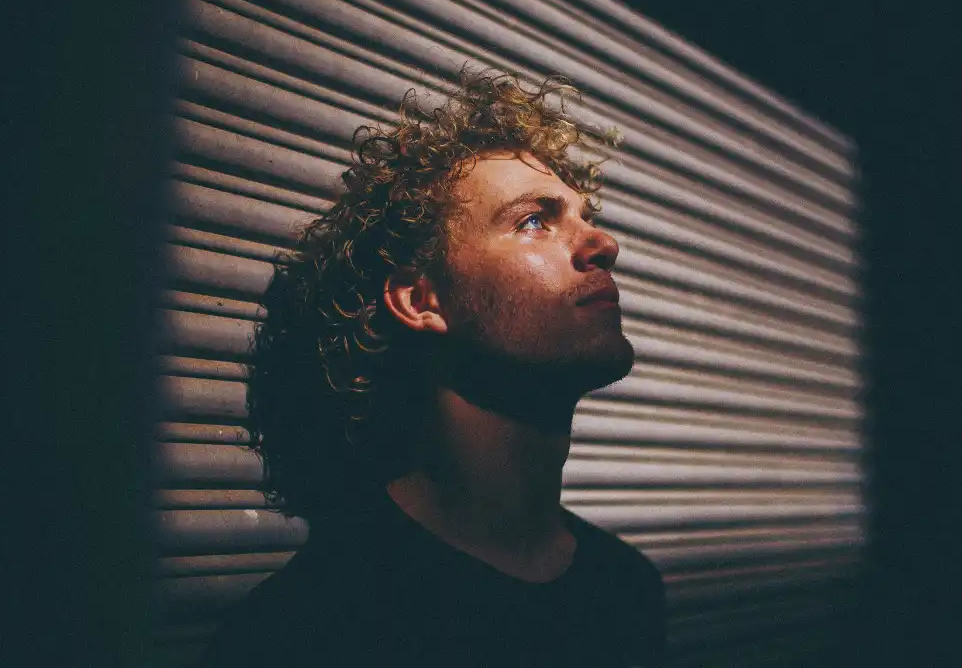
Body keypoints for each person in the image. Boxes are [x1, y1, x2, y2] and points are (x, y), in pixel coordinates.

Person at [202, 69, 666, 667]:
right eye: (533, 221)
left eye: (583, 216)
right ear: (422, 302)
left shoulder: (624, 590)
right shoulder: (306, 632)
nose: (602, 243)